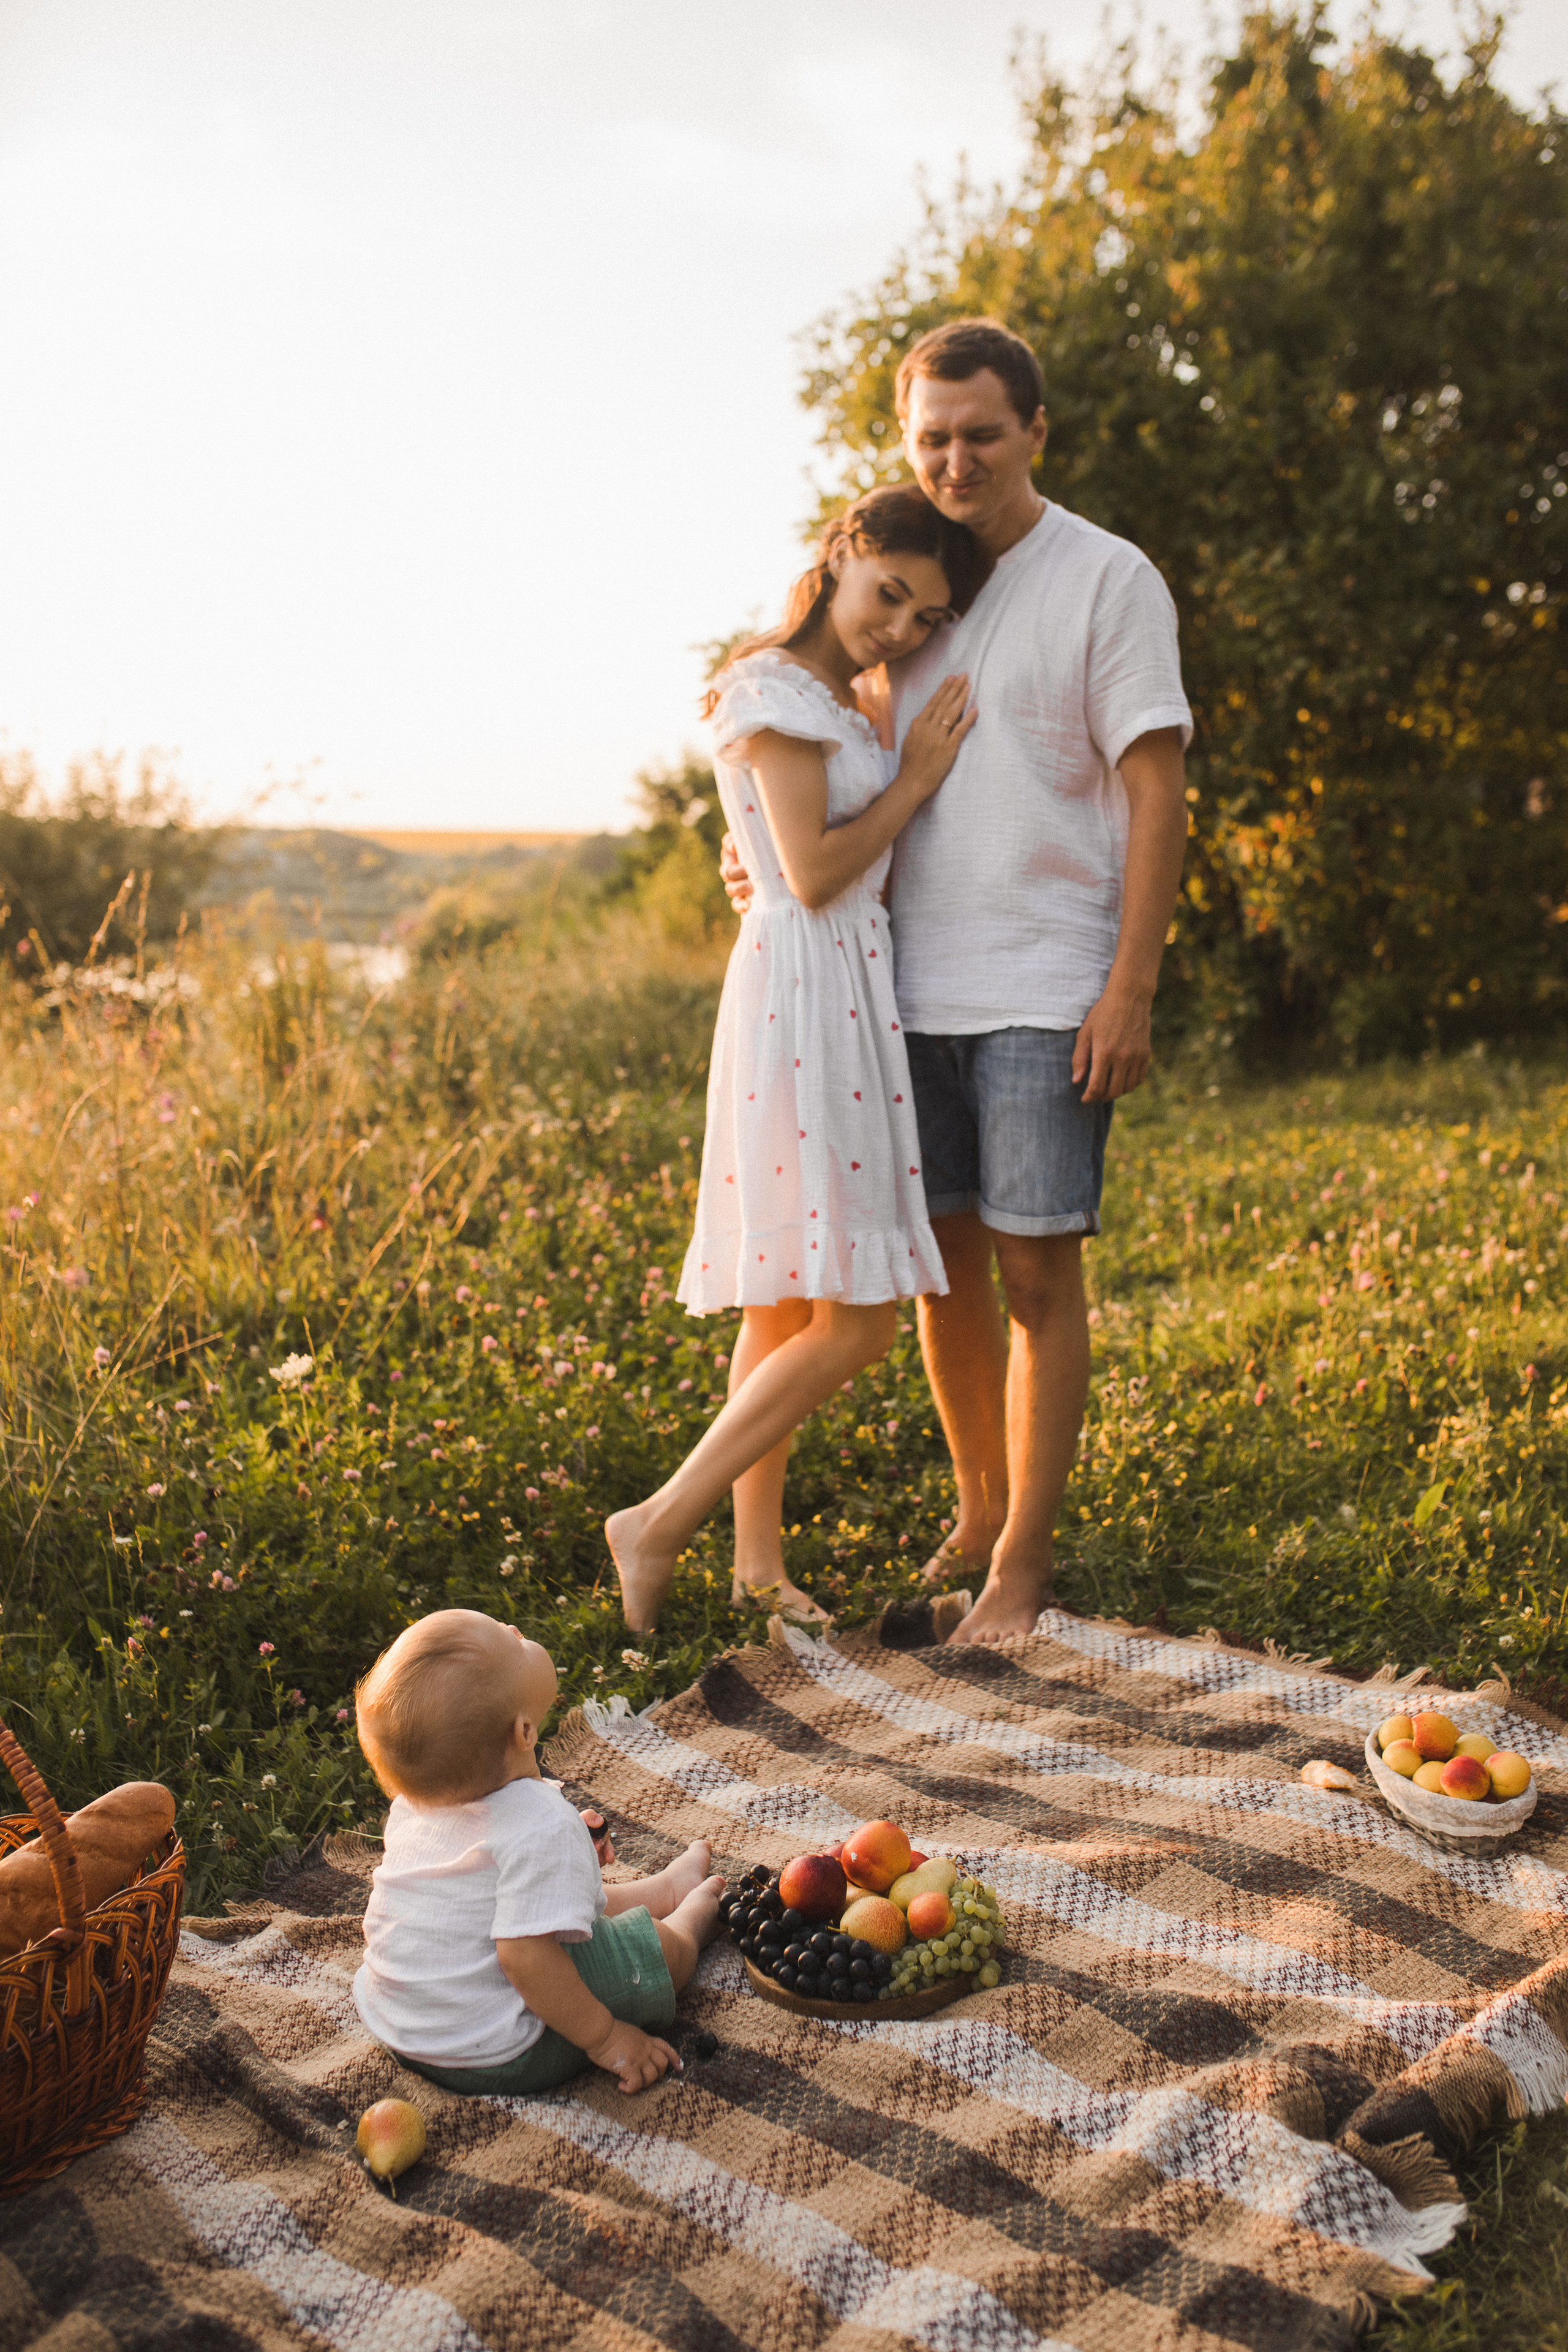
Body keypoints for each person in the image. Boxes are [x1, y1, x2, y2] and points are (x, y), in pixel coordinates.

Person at [724, 319, 1192, 1646]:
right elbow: (813, 754)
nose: (955, 459)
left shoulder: (1107, 578)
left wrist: (1129, 987)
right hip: (894, 993)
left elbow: (1156, 788)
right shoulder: (909, 589)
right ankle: (979, 1513)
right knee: (944, 1282)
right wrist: (749, 853)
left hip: (1046, 985)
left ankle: (1021, 1571)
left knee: (1039, 1283)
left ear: (1034, 429)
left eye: (981, 433)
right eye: (931, 436)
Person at [606, 485, 990, 1634]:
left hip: (835, 983)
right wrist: (917, 779)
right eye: (891, 594)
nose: (900, 629)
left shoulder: (840, 700)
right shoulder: (772, 689)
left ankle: (758, 1568)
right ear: (843, 555)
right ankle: (658, 1521)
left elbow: (795, 858)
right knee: (859, 1320)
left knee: (780, 1309)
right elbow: (814, 873)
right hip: (809, 994)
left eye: (926, 617)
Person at [352, 1608, 725, 2095]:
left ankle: (668, 1889)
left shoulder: (415, 1805)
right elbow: (525, 1958)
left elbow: (488, 1880)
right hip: (496, 2050)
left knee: (547, 1906)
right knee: (653, 1950)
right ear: (525, 1732)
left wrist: (570, 1852)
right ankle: (693, 1922)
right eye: (513, 1643)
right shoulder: (541, 1827)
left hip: (403, 2027)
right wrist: (607, 2039)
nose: (514, 1629)